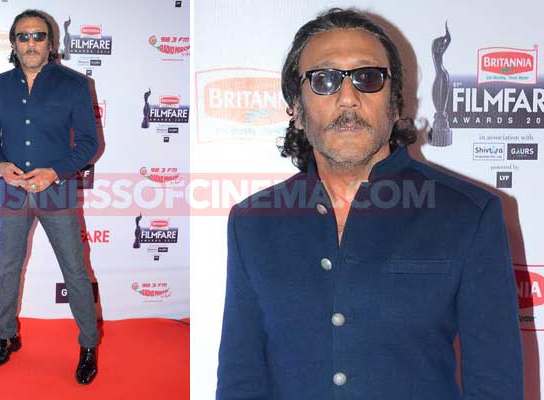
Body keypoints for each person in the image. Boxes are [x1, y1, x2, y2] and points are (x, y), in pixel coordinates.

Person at [217, 8, 522, 399]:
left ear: (395, 105)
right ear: (296, 108)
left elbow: (496, 387)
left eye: (368, 78)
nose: (349, 98)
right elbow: (240, 382)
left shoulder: (468, 214)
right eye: (324, 80)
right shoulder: (253, 222)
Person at [0, 9, 100, 384]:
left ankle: (88, 345)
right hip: (13, 196)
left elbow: (89, 144)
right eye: (23, 36)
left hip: (57, 194)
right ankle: (6, 335)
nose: (31, 43)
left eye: (38, 35)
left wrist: (55, 172)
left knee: (75, 272)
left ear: (51, 42)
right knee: (7, 271)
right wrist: (1, 165)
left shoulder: (75, 85)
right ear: (13, 44)